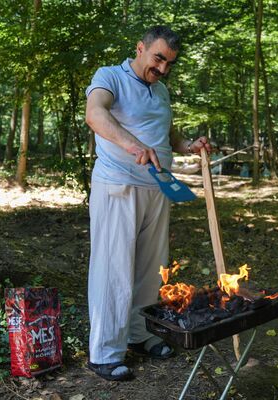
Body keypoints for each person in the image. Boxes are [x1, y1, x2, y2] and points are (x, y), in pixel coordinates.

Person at [84, 26, 211, 381]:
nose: (163, 69)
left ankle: (140, 336)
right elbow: (95, 115)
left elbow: (166, 133)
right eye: (158, 59)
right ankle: (105, 352)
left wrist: (187, 145)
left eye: (170, 63)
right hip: (118, 186)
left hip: (158, 188)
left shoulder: (161, 90)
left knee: (150, 269)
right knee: (113, 268)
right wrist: (133, 146)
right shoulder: (110, 77)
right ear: (139, 48)